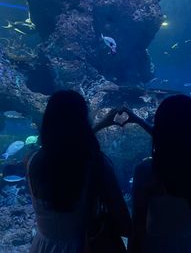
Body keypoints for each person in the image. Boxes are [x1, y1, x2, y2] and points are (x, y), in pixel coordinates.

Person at [26, 90, 131, 253]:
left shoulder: (33, 161)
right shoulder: (97, 165)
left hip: (44, 247)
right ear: (83, 121)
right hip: (85, 246)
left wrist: (101, 124)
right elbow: (124, 223)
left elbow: (65, 151)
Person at [124, 94, 191, 253]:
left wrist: (138, 120)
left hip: (155, 244)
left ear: (160, 125)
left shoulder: (145, 170)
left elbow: (138, 223)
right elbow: (179, 143)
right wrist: (139, 121)